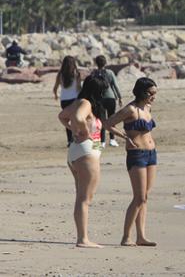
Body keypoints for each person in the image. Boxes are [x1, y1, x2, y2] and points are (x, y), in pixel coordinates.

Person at [103, 77, 158, 247]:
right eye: (151, 93)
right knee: (139, 197)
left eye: (155, 93)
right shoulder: (130, 110)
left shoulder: (147, 107)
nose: (154, 97)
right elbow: (108, 123)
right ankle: (126, 236)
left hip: (151, 154)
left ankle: (141, 236)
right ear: (142, 92)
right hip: (136, 155)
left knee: (145, 197)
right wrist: (125, 136)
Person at [58, 74, 108, 248]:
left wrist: (73, 129)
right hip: (86, 151)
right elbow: (78, 117)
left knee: (81, 197)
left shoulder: (79, 101)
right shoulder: (86, 103)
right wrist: (84, 131)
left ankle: (82, 237)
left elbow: (62, 116)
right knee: (84, 198)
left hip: (76, 151)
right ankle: (83, 239)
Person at [92, 55, 123, 148]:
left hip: (99, 99)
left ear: (96, 63)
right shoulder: (110, 72)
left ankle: (102, 142)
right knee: (111, 119)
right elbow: (115, 86)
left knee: (101, 121)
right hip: (110, 98)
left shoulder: (94, 73)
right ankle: (112, 140)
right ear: (105, 63)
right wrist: (120, 97)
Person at [53, 56, 82, 147]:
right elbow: (78, 87)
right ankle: (75, 138)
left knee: (66, 120)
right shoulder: (76, 73)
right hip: (74, 99)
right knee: (74, 120)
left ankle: (70, 140)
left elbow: (55, 88)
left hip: (64, 100)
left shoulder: (60, 74)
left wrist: (56, 95)